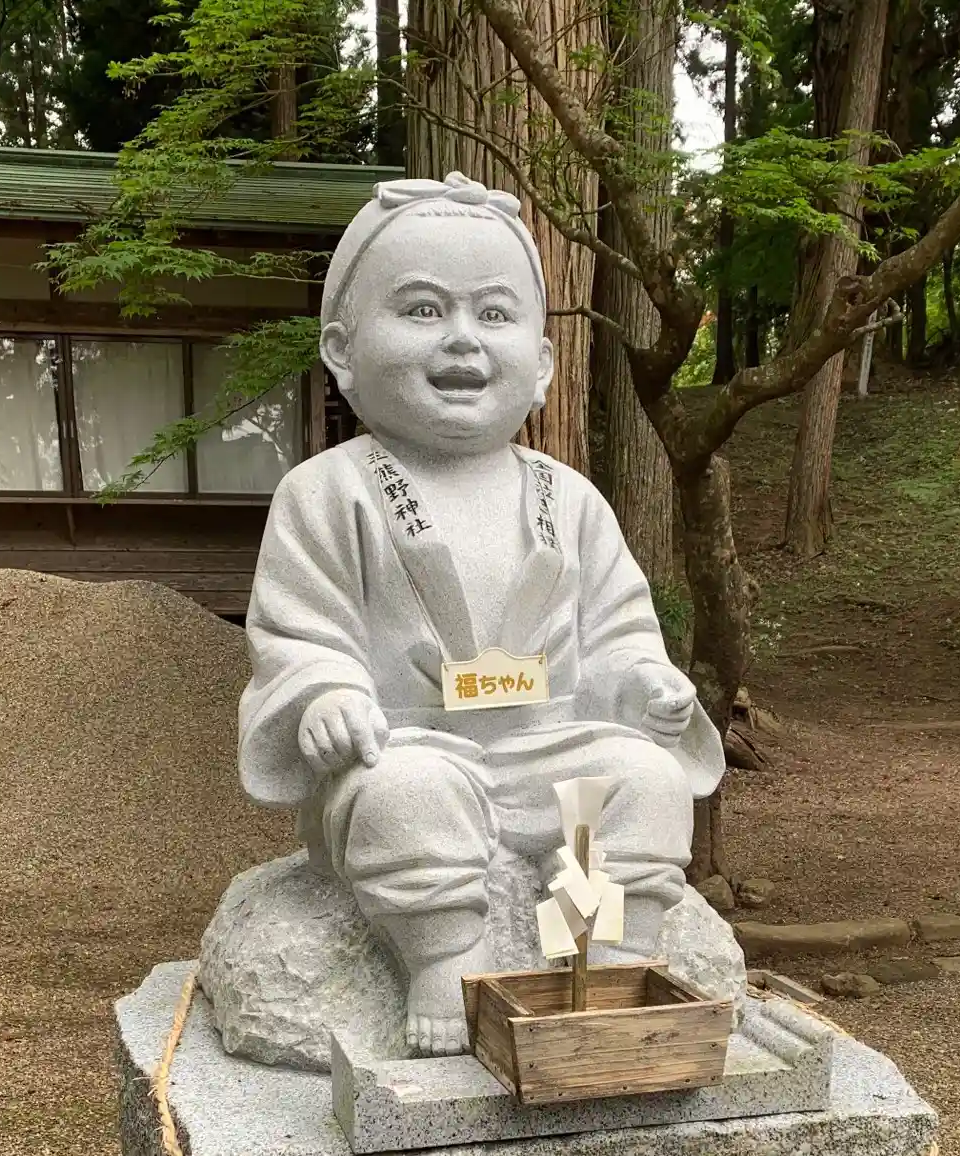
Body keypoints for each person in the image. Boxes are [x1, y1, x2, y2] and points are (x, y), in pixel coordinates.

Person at [238, 173, 726, 1055]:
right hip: (413, 745)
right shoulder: (328, 492)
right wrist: (325, 697)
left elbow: (617, 630)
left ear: (541, 365)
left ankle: (605, 955)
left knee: (641, 781)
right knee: (405, 797)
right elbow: (302, 633)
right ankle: (445, 958)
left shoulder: (569, 499)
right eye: (423, 310)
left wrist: (642, 688)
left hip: (551, 745)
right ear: (342, 349)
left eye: (494, 314)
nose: (462, 337)